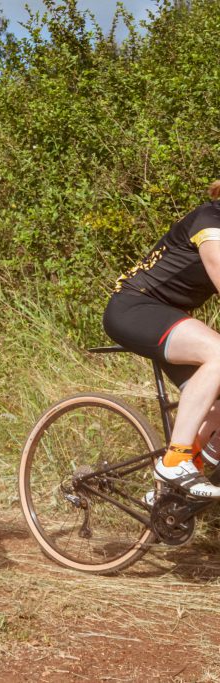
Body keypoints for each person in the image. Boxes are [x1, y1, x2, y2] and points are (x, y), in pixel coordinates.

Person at [104, 181, 220, 498]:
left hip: (171, 317)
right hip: (135, 308)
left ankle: (170, 497)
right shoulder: (210, 224)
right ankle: (176, 460)